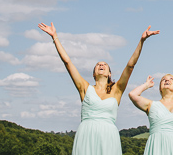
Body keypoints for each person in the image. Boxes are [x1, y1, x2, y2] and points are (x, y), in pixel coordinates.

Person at [38, 23, 159, 155]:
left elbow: (130, 66)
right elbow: (67, 62)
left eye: (104, 65)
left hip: (108, 137)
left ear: (109, 74)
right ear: (94, 74)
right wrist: (55, 37)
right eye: (98, 65)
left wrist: (141, 41)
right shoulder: (84, 88)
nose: (101, 65)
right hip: (86, 135)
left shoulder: (117, 90)